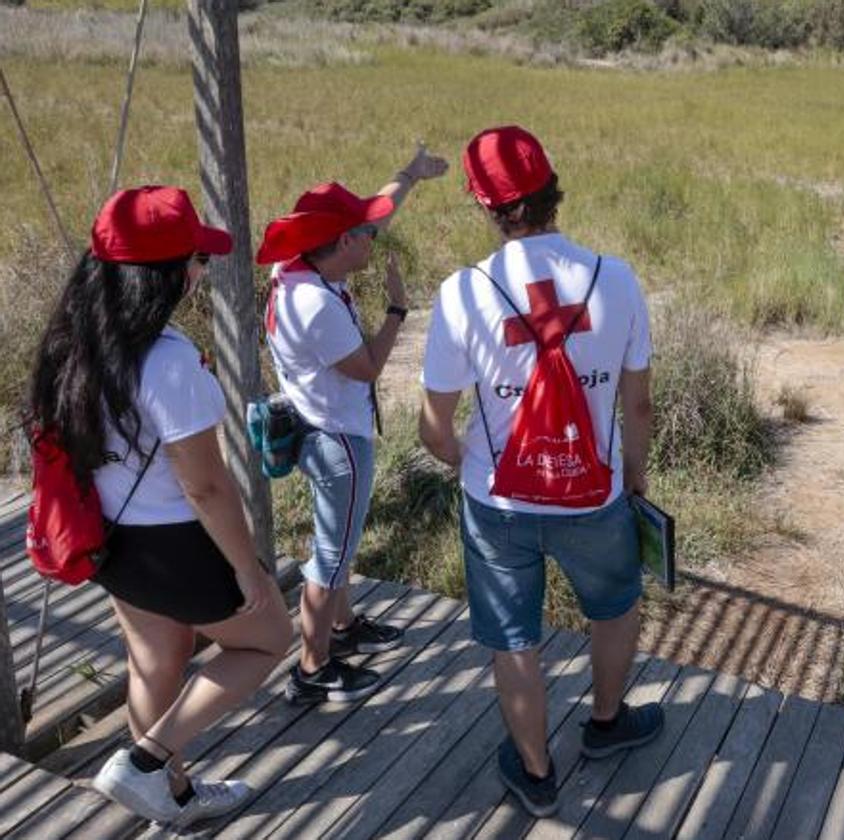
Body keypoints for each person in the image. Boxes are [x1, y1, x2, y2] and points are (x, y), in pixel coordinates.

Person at [27, 186, 293, 827]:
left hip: (111, 540)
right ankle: (144, 763)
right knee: (267, 640)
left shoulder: (71, 343)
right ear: (161, 277)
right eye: (195, 261)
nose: (201, 273)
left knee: (156, 660)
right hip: (175, 543)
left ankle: (170, 794)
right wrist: (250, 572)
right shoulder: (171, 363)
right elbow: (206, 488)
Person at [419, 125, 663, 818]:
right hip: (596, 491)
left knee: (514, 636)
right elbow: (637, 402)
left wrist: (469, 464)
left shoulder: (462, 293)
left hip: (499, 502)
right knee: (614, 607)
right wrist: (634, 478)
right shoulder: (615, 279)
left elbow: (434, 426)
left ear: (487, 207)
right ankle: (608, 724)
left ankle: (536, 771)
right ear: (553, 190)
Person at [256, 146, 447, 705]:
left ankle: (342, 629)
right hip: (338, 439)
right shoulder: (315, 306)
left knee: (335, 540)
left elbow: (375, 215)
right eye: (365, 236)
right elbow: (366, 367)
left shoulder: (295, 268)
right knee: (330, 557)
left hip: (317, 427)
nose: (375, 238)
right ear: (343, 244)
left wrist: (408, 174)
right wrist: (396, 311)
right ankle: (312, 670)